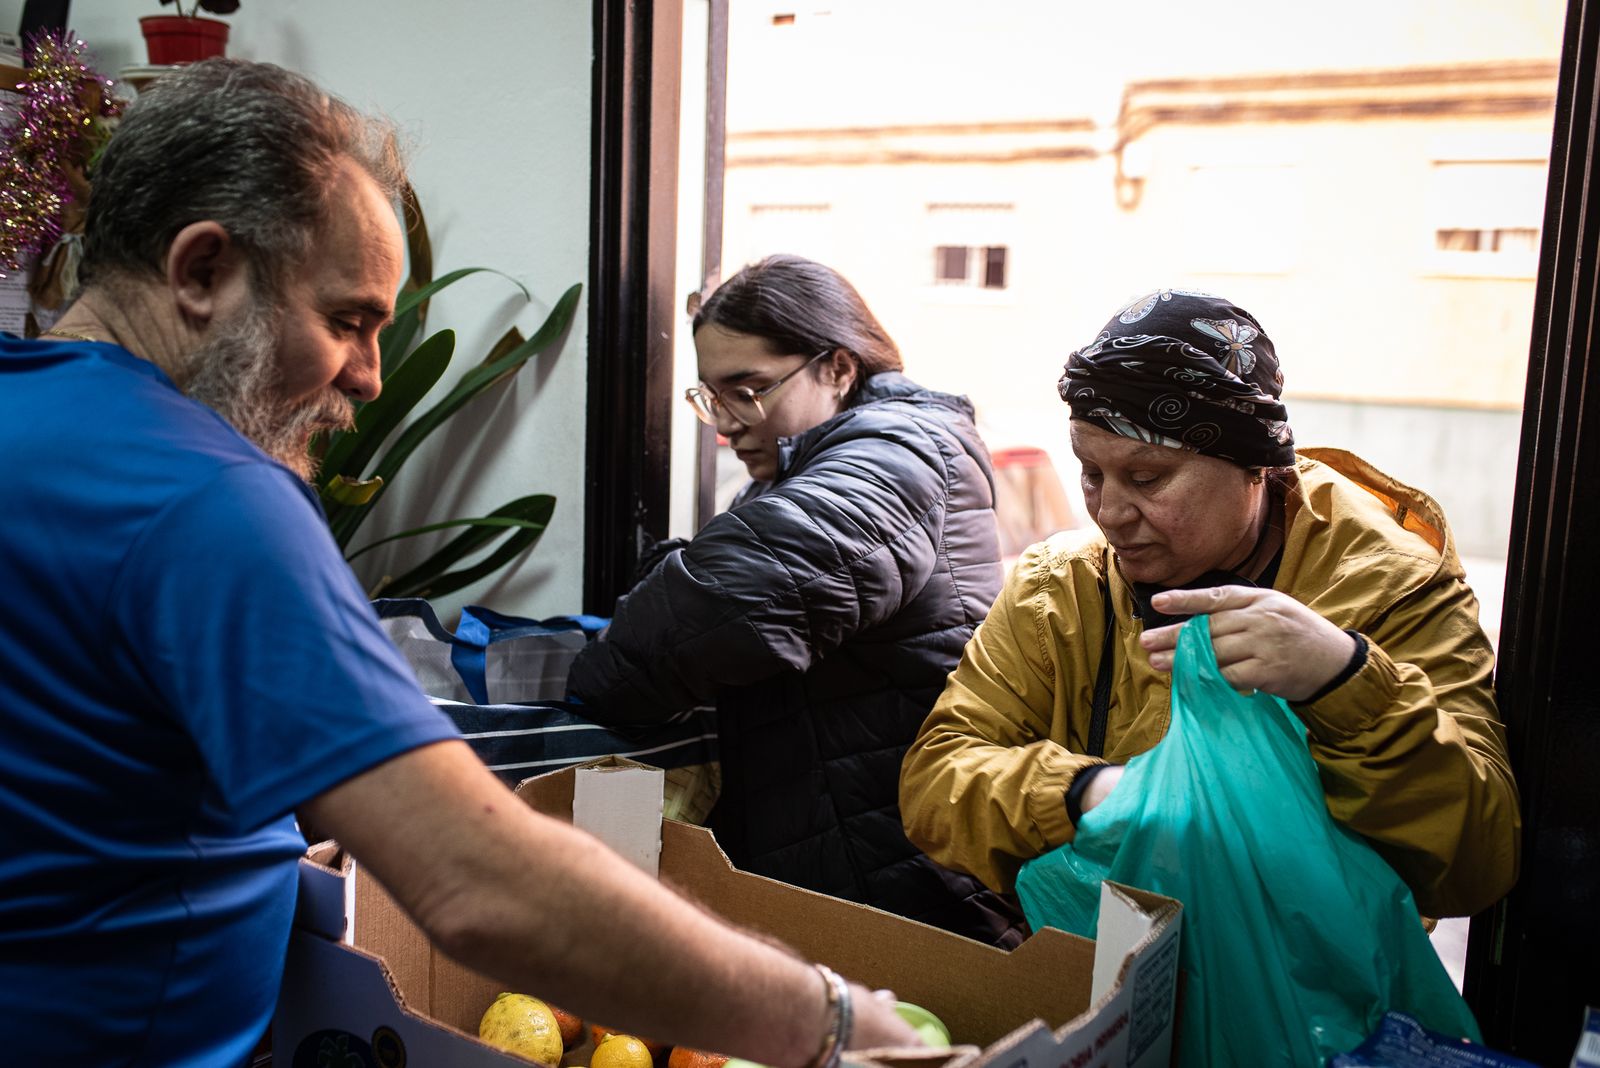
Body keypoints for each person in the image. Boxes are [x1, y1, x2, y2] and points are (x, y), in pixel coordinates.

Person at [0, 60, 918, 1066]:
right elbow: (480, 884)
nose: (368, 376)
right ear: (202, 271)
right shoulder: (202, 494)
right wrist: (829, 1019)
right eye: (348, 320)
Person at [899, 288, 1521, 921]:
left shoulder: (1396, 589)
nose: (1109, 513)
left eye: (1147, 478)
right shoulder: (1059, 588)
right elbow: (937, 782)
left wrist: (1344, 680)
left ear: (1255, 466)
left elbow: (1477, 861)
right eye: (1091, 471)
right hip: (1092, 967)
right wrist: (1091, 792)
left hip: (1312, 980)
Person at [567, 254, 1027, 947]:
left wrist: (591, 683)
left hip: (907, 893)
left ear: (837, 368)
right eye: (712, 397)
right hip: (851, 865)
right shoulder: (809, 466)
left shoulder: (901, 453)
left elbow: (725, 600)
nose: (726, 424)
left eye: (749, 390)